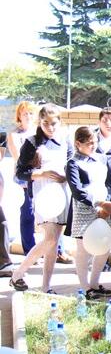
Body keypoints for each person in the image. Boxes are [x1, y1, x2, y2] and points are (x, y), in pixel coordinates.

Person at [10, 104, 72, 293]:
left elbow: (72, 166)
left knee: (54, 241)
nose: (50, 127)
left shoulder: (65, 140)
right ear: (40, 122)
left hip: (62, 193)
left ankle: (46, 287)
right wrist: (41, 173)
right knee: (50, 238)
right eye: (46, 123)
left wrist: (67, 177)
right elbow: (20, 173)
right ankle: (18, 274)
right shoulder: (32, 142)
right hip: (43, 194)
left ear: (60, 122)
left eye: (54, 123)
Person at [65, 127, 111, 300]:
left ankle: (95, 283)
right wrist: (98, 203)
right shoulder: (73, 163)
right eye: (89, 143)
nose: (93, 146)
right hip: (84, 208)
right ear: (78, 143)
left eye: (95, 142)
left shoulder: (101, 158)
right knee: (83, 249)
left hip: (104, 208)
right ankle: (85, 287)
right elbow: (77, 190)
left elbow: (109, 182)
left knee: (104, 246)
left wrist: (107, 202)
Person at [6, 101, 37, 254]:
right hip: (24, 179)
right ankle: (30, 250)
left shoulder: (40, 132)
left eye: (31, 113)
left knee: (51, 216)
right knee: (27, 214)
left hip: (42, 177)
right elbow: (19, 158)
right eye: (25, 114)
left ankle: (58, 250)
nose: (28, 116)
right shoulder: (14, 134)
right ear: (19, 116)